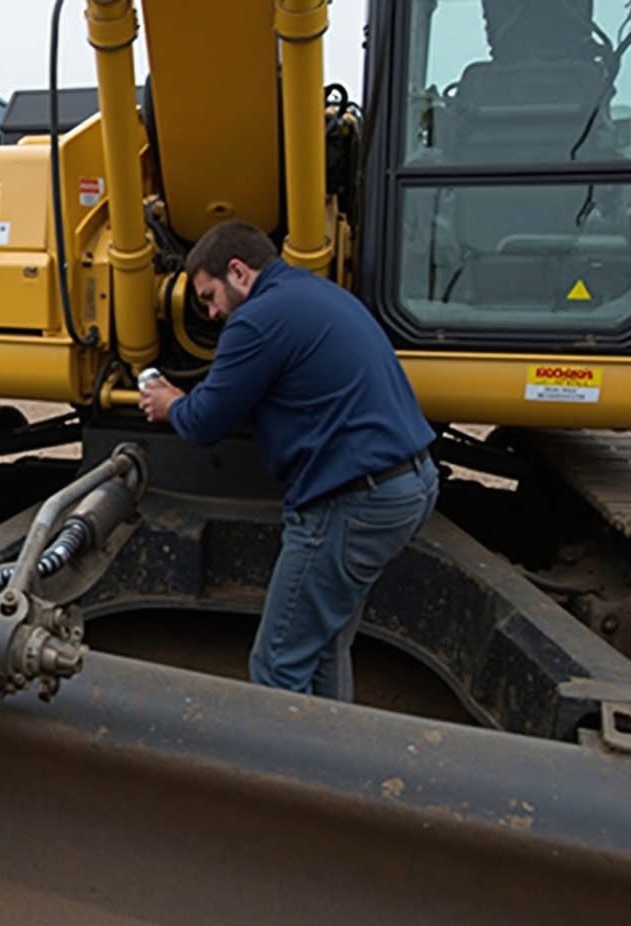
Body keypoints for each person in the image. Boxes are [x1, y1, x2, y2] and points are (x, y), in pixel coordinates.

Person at [138, 221, 439, 702]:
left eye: (209, 295)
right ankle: (331, 760)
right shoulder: (316, 293)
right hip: (408, 483)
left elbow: (204, 422)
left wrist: (170, 402)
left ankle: (277, 772)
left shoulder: (257, 319)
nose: (211, 313)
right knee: (322, 643)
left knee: (278, 661)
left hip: (353, 503)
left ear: (238, 272)